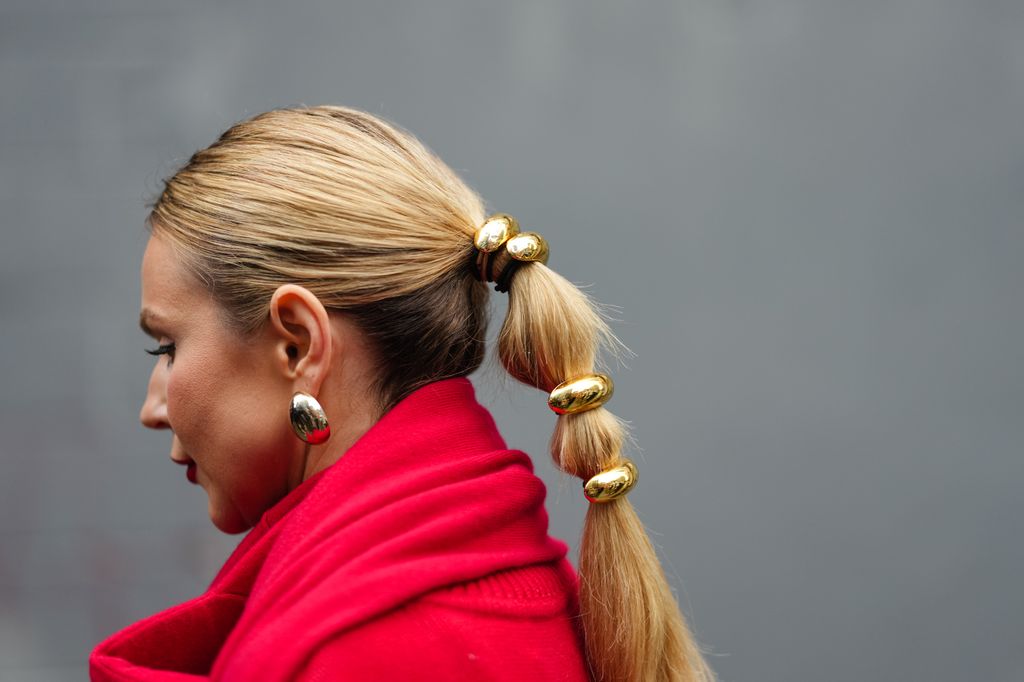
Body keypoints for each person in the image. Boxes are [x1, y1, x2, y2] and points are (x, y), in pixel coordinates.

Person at [88, 105, 715, 682]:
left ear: (297, 346)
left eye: (167, 348)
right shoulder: (514, 584)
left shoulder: (347, 655)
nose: (154, 407)